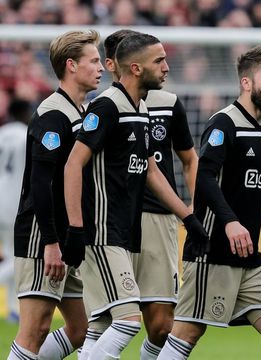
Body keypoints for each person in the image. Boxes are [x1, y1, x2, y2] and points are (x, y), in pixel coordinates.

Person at [158, 45, 261, 360]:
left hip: (249, 255)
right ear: (246, 83)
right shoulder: (223, 123)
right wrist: (231, 222)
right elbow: (205, 178)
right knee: (187, 332)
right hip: (212, 250)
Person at [63, 33, 208, 359]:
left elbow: (149, 171)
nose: (167, 67)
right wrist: (75, 227)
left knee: (101, 325)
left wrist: (189, 217)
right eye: (159, 61)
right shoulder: (106, 106)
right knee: (127, 319)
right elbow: (73, 164)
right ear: (136, 68)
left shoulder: (139, 108)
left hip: (123, 232)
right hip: (101, 231)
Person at [102, 29, 199, 359]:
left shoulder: (168, 103)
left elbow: (187, 160)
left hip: (159, 218)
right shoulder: (103, 107)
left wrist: (192, 209)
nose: (163, 66)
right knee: (107, 320)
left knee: (160, 326)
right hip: (112, 221)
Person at [8, 30, 103, 360]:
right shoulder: (54, 114)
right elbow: (41, 183)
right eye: (93, 60)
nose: (101, 66)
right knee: (34, 330)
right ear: (72, 66)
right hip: (41, 234)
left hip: (66, 235)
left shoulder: (78, 112)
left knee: (82, 328)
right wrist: (49, 242)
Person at [0, 99, 32, 323]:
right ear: (23, 112)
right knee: (20, 257)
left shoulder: (2, 133)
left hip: (1, 195)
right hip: (15, 201)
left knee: (11, 253)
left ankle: (12, 309)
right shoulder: (24, 135)